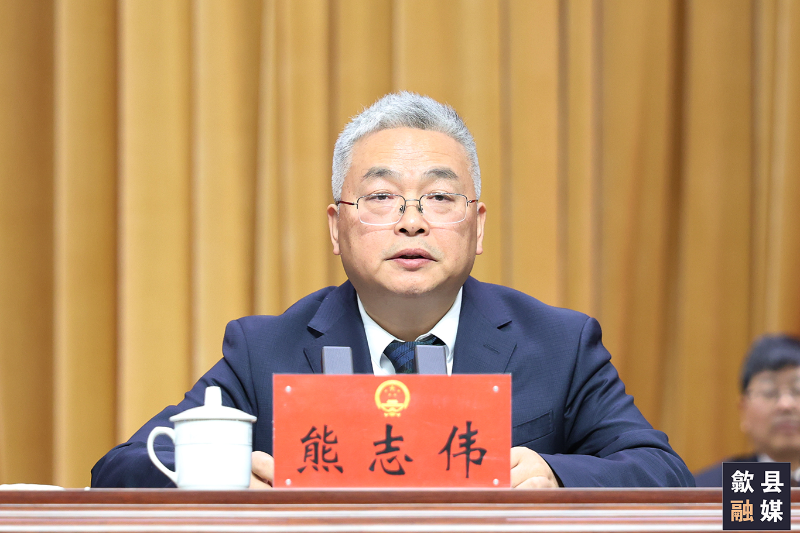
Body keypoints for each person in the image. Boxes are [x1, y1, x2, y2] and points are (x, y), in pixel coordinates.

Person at [92, 92, 693, 488]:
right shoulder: (265, 351)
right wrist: (220, 477)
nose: (411, 222)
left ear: (478, 226)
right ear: (337, 227)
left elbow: (663, 472)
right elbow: (119, 468)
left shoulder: (559, 345)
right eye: (381, 197)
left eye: (439, 197)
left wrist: (556, 476)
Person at [694, 334, 800, 486]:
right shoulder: (708, 489)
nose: (785, 405)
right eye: (769, 392)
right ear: (743, 410)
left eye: (797, 390)